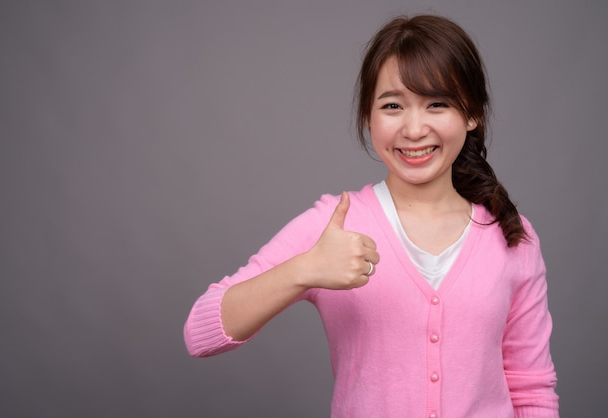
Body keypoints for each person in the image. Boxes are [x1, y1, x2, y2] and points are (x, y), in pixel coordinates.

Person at [184, 14, 559, 418]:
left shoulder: (513, 236)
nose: (414, 129)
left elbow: (531, 389)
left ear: (471, 114)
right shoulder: (335, 226)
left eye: (437, 104)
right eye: (393, 105)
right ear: (368, 117)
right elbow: (200, 333)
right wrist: (304, 269)